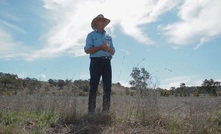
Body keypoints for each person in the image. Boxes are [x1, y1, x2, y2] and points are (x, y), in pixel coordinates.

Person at [84, 14, 115, 114]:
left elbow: (113, 52)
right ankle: (91, 112)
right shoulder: (91, 35)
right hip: (96, 61)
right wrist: (101, 48)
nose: (103, 23)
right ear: (96, 23)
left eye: (104, 21)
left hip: (107, 62)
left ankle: (105, 111)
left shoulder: (109, 37)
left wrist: (107, 49)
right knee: (94, 86)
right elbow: (87, 50)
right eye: (101, 21)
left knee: (107, 87)